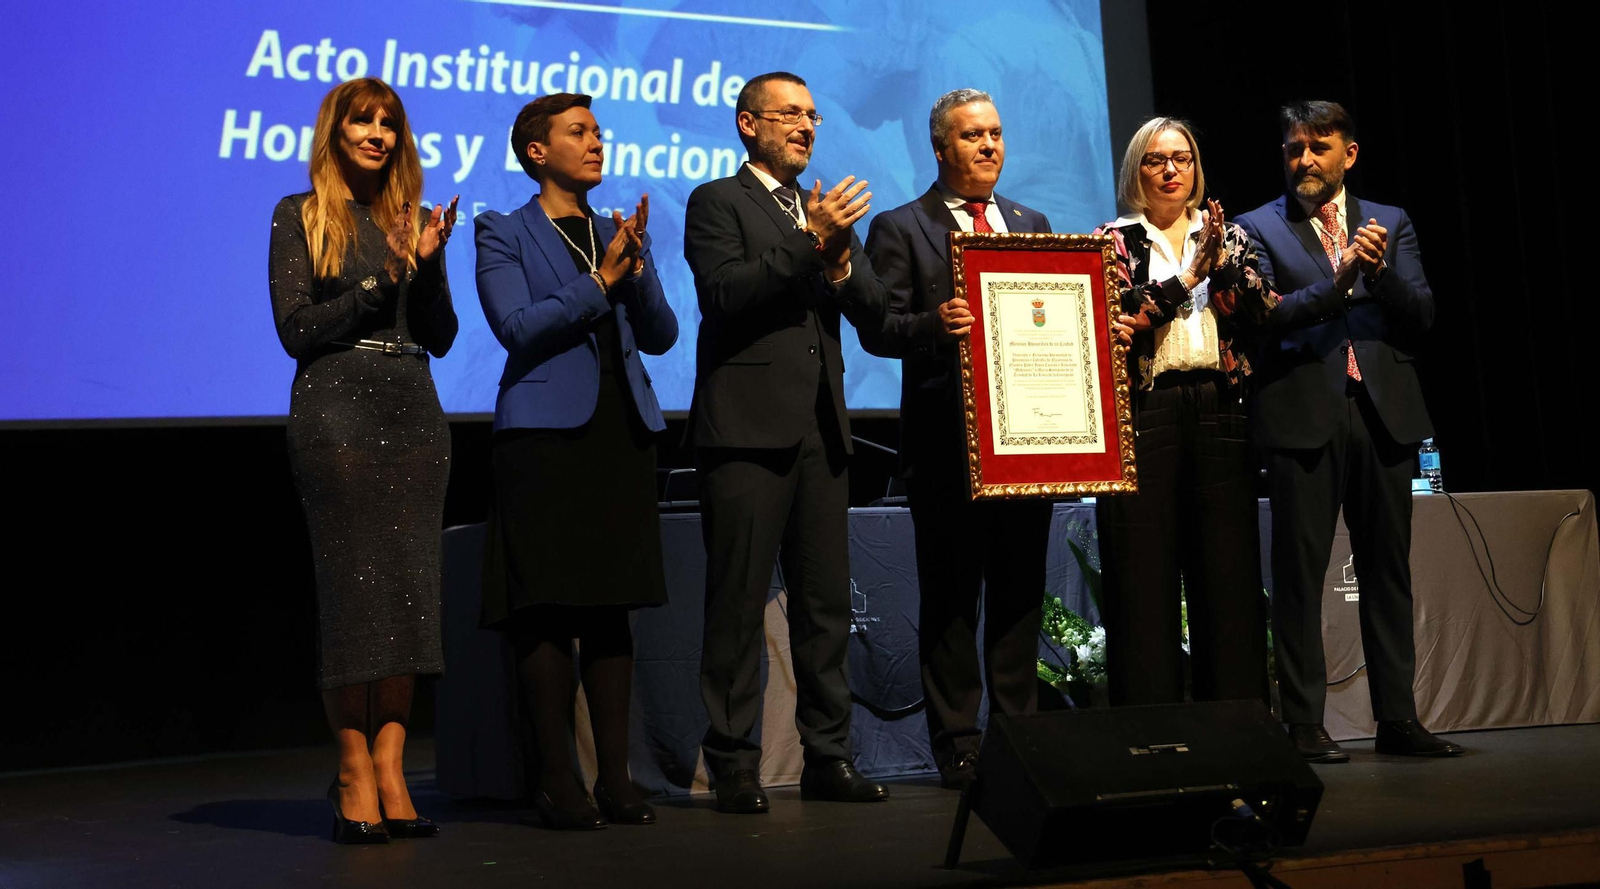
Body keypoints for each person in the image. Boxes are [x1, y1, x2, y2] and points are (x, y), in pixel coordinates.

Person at [682, 71, 889, 813]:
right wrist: (812, 241)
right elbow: (725, 293)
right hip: (744, 430)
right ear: (748, 125)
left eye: (812, 115)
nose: (806, 126)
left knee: (826, 604)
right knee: (737, 603)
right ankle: (734, 760)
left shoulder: (822, 211)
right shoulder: (716, 201)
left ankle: (828, 754)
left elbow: (872, 308)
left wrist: (837, 258)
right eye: (789, 115)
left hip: (820, 430)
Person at [475, 93, 679, 828]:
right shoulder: (502, 232)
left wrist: (636, 262)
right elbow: (518, 327)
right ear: (537, 151)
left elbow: (659, 334)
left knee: (610, 606)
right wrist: (600, 281)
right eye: (579, 132)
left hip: (619, 434)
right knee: (548, 608)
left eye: (598, 131)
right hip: (543, 438)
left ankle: (618, 780)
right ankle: (558, 778)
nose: (597, 141)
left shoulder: (615, 229)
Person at [1235, 100, 1461, 760]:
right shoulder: (1257, 227)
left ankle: (1399, 719)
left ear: (1349, 153)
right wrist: (1339, 284)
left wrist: (1380, 272)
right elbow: (1264, 319)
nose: (1304, 159)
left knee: (1387, 572)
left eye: (1319, 145)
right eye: (1293, 148)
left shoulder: (1391, 222)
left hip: (1382, 412)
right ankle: (1304, 723)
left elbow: (1420, 313)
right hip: (1302, 413)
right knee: (1300, 574)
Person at [267, 77, 458, 844]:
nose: (379, 134)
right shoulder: (300, 214)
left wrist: (428, 261)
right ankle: (350, 766)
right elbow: (296, 328)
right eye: (364, 122)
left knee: (411, 593)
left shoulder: (408, 218)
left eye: (389, 124)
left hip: (414, 408)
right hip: (337, 409)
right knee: (355, 595)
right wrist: (388, 274)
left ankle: (392, 767)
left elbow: (440, 334)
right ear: (336, 132)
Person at [857, 89, 1053, 790]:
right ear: (941, 148)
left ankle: (1022, 731)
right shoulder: (900, 226)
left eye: (996, 133)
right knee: (950, 600)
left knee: (1020, 594)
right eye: (973, 136)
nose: (990, 146)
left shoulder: (1033, 221)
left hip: (1030, 442)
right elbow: (880, 329)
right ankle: (959, 740)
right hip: (947, 446)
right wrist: (935, 325)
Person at [1094, 118, 1274, 712]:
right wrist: (1190, 274)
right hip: (1144, 412)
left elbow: (1262, 309)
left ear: (1196, 170)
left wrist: (1220, 262)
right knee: (1141, 579)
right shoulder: (1112, 240)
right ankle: (1151, 731)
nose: (1171, 170)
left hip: (1221, 408)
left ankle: (1239, 730)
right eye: (1155, 161)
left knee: (1228, 577)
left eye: (1182, 158)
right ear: (1135, 173)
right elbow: (1128, 318)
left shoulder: (1229, 235)